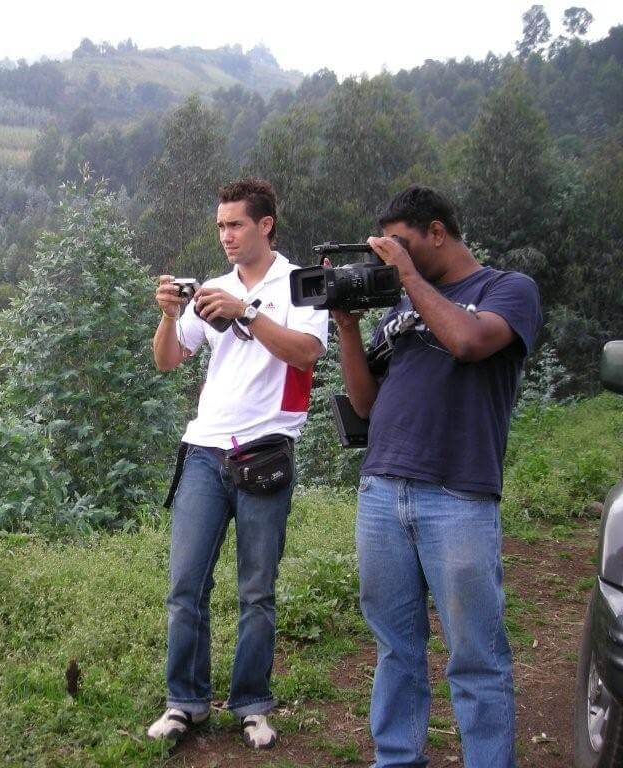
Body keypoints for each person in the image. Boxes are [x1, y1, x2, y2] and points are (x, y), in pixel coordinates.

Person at [334, 186, 541, 767]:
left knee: (475, 656)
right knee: (395, 649)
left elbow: (469, 342)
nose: (387, 257)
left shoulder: (507, 290)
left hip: (459, 493)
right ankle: (396, 759)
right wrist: (349, 326)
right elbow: (366, 404)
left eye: (398, 244)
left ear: (437, 233)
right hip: (381, 489)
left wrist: (408, 280)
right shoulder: (401, 308)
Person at [147, 178, 328, 749]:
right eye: (221, 225)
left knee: (256, 589)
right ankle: (186, 703)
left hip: (266, 451)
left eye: (236, 225)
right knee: (185, 585)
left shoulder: (298, 285)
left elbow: (306, 354)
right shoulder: (213, 288)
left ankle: (251, 704)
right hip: (204, 449)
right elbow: (169, 360)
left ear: (265, 224)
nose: (225, 235)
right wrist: (169, 315)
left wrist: (245, 311)